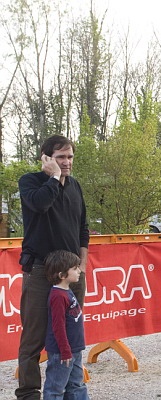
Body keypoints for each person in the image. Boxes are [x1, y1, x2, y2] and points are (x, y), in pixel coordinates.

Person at [17, 135, 89, 400]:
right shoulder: (30, 182)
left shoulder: (75, 185)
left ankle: (70, 391)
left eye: (70, 157)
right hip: (39, 270)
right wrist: (55, 177)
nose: (67, 162)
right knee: (33, 338)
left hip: (72, 273)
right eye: (61, 157)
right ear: (46, 158)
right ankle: (28, 393)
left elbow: (82, 228)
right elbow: (40, 204)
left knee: (71, 334)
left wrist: (82, 265)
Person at [43, 250, 89, 400]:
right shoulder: (58, 296)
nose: (79, 271)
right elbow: (58, 326)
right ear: (62, 275)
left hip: (74, 349)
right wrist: (65, 350)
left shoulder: (67, 291)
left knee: (77, 385)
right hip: (62, 352)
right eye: (75, 268)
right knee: (55, 388)